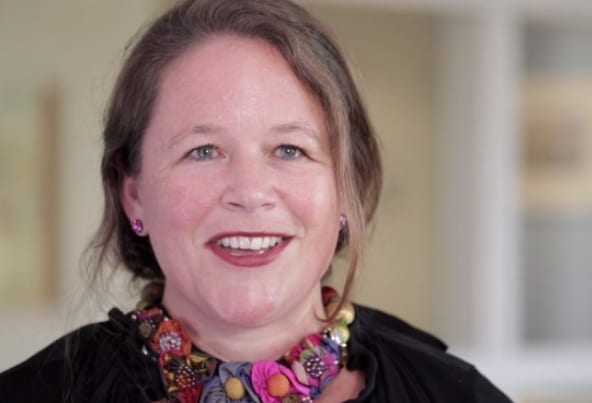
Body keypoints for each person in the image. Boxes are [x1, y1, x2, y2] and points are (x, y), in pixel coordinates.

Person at [0, 0, 511, 402]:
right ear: (132, 194)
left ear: (347, 188)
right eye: (203, 151)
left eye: (290, 149)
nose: (249, 192)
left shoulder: (456, 394)